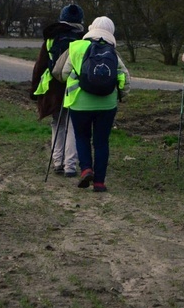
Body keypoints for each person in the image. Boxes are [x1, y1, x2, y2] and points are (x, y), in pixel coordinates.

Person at [53, 17, 130, 193]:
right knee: (101, 142)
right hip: (107, 105)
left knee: (82, 137)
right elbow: (125, 79)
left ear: (90, 29)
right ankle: (99, 183)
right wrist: (121, 96)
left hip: (80, 104)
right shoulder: (113, 53)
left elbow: (62, 74)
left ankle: (86, 169)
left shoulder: (76, 47)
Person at [31, 4, 86, 177]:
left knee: (57, 123)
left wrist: (34, 90)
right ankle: (70, 166)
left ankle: (57, 162)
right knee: (72, 125)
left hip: (54, 87)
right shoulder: (83, 39)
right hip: (76, 87)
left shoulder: (51, 38)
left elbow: (39, 66)